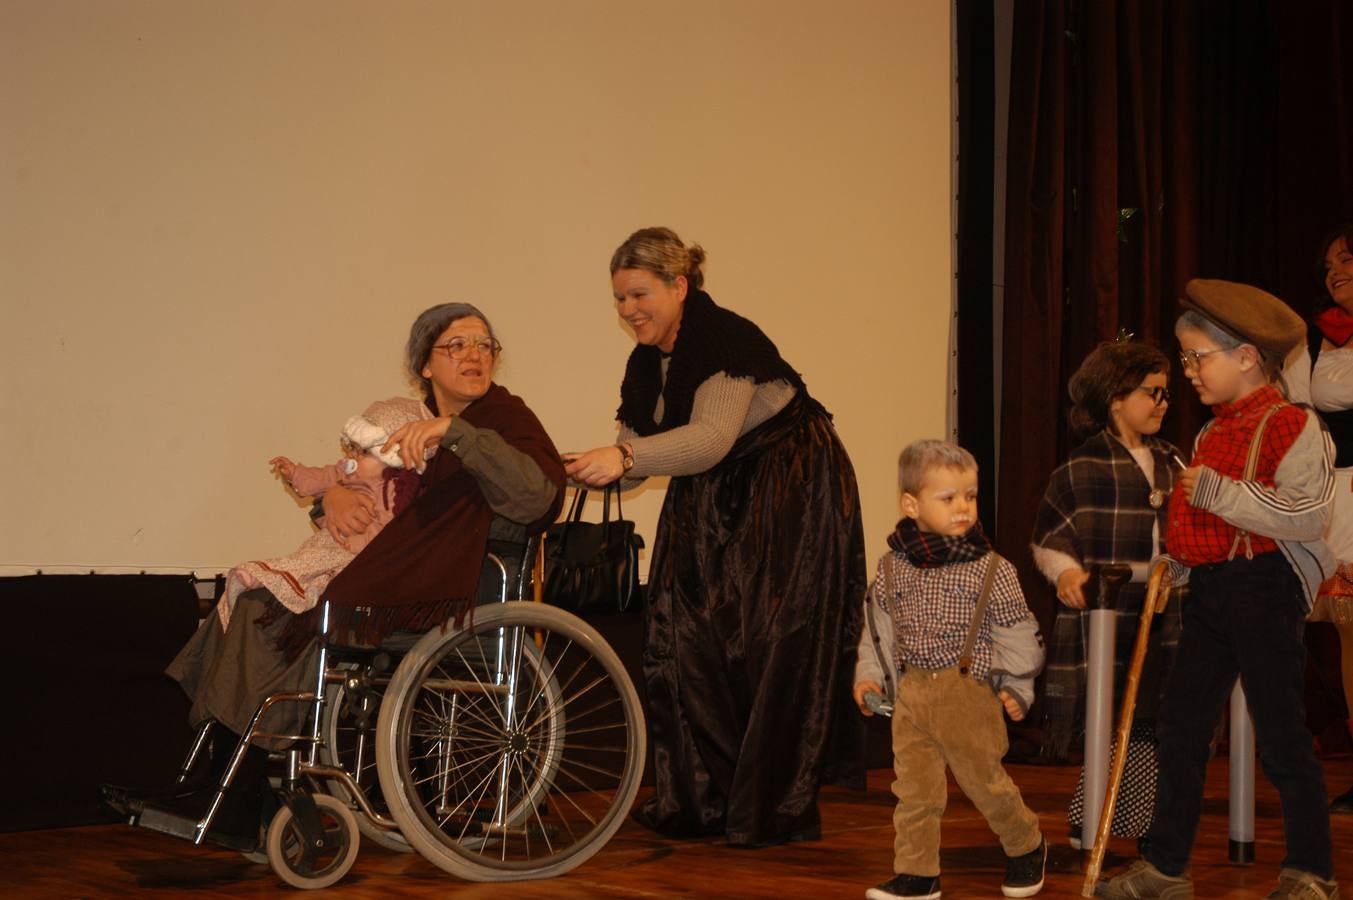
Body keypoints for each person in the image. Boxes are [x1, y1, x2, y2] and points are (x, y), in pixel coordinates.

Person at [103, 302, 565, 851]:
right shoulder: (398, 421)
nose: (474, 355)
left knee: (284, 615)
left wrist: (458, 433)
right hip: (391, 568)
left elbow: (537, 496)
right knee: (253, 602)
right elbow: (370, 501)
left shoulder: (504, 420)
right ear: (424, 364)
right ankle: (218, 786)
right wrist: (334, 500)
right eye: (457, 345)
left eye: (485, 345)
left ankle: (236, 794)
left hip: (439, 584)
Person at [565, 226, 867, 847]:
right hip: (714, 490)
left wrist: (622, 458)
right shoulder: (646, 362)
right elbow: (646, 443)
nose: (628, 310)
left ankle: (769, 804)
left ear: (680, 286)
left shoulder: (723, 336)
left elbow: (707, 439)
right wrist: (579, 470)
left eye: (639, 294)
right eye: (619, 298)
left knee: (766, 638)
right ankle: (703, 798)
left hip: (789, 486)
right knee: (684, 634)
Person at [1097, 280, 1339, 900]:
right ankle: (1168, 867)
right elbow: (1202, 522)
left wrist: (1218, 494)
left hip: (1265, 589)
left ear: (1247, 357)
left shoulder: (1294, 424)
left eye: (1198, 357)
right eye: (1185, 359)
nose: (1189, 373)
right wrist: (1179, 560)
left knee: (1281, 731)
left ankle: (1312, 870)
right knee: (1181, 727)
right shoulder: (1210, 434)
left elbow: (1308, 513)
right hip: (1209, 591)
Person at [854, 440, 1046, 900]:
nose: (963, 507)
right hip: (912, 694)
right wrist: (868, 676)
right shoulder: (891, 568)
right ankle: (918, 874)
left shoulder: (992, 570)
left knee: (985, 783)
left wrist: (1018, 689)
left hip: (969, 694)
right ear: (910, 504)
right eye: (948, 498)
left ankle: (1026, 845)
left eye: (970, 496)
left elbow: (1019, 637)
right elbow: (877, 631)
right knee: (915, 791)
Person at [1030, 340, 1185, 847]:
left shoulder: (1174, 463)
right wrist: (1067, 574)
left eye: (1167, 393)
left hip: (1164, 616)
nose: (1163, 403)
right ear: (1115, 399)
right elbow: (1050, 536)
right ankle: (1097, 817)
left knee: (1148, 718)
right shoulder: (1082, 467)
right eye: (1152, 392)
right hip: (1107, 615)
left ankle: (1109, 818)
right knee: (1111, 717)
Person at [215, 396, 433, 632]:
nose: (353, 458)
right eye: (353, 449)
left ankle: (280, 582)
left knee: (320, 570)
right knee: (307, 559)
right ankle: (264, 574)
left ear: (392, 459)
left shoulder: (397, 490)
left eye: (364, 452)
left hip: (360, 554)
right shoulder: (344, 473)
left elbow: (394, 531)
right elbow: (320, 478)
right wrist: (295, 473)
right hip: (333, 542)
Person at [1300, 224, 1353, 814]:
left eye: (1346, 259)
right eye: (1327, 264)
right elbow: (1299, 418)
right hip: (1341, 497)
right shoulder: (1315, 342)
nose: (1334, 270)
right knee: (1344, 627)